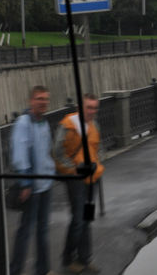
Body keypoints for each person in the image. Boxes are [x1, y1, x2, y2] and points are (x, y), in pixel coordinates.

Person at [54, 93, 105, 274]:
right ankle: (68, 258)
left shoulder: (94, 124)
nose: (92, 111)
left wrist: (98, 164)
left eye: (94, 108)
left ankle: (85, 258)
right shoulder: (67, 125)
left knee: (87, 218)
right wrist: (73, 169)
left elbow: (99, 147)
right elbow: (57, 153)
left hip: (93, 179)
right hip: (76, 180)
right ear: (80, 108)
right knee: (78, 219)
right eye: (89, 107)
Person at [9, 85, 57, 275]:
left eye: (45, 99)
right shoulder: (23, 123)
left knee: (43, 230)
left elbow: (46, 152)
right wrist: (26, 184)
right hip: (32, 187)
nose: (43, 102)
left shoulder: (43, 122)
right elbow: (20, 155)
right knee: (25, 232)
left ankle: (43, 270)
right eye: (39, 99)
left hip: (45, 184)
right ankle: (15, 270)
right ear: (31, 101)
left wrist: (52, 173)